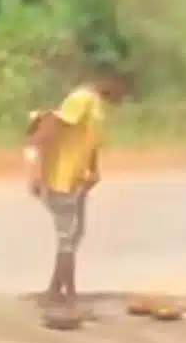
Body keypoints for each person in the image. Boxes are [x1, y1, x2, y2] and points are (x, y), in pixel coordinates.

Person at [26, 70, 127, 308]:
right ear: (108, 80)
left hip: (76, 180)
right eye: (123, 89)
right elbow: (48, 130)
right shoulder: (80, 99)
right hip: (60, 178)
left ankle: (55, 289)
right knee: (67, 237)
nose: (123, 97)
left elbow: (91, 142)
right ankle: (66, 293)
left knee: (74, 235)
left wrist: (94, 169)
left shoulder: (97, 106)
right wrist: (37, 173)